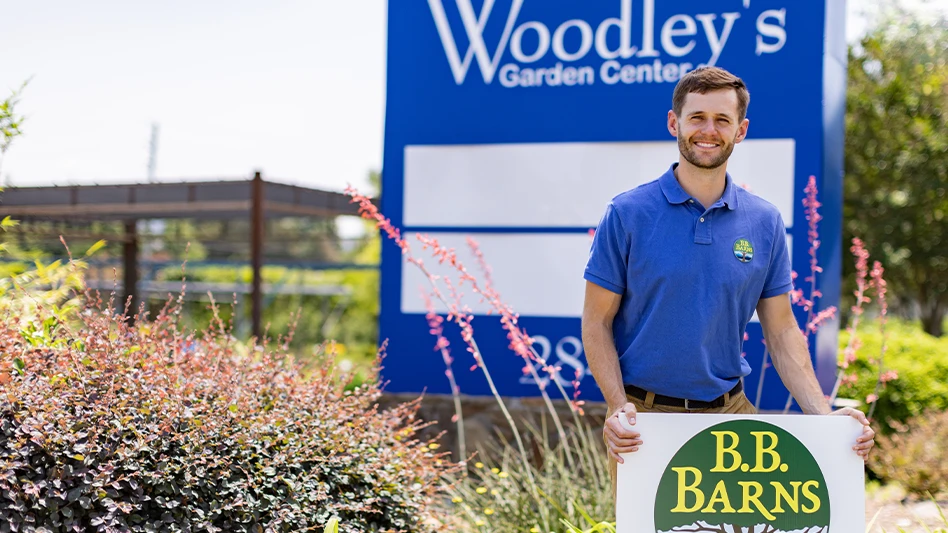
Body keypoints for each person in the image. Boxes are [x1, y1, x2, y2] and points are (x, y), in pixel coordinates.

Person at [580, 66, 875, 499]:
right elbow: (596, 321)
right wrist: (617, 405)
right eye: (697, 117)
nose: (708, 130)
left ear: (741, 130)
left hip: (732, 418)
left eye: (722, 119)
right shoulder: (628, 213)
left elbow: (781, 329)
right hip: (643, 423)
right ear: (673, 122)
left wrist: (824, 416)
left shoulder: (764, 220)